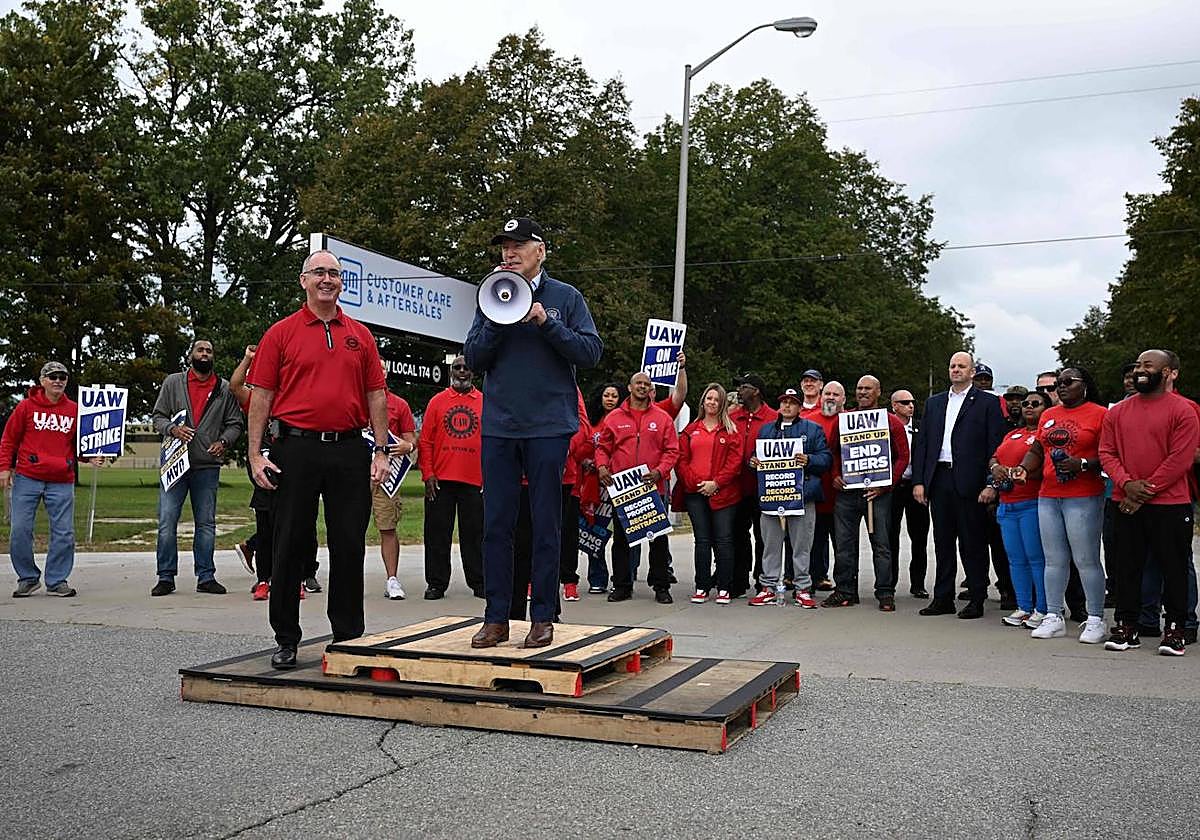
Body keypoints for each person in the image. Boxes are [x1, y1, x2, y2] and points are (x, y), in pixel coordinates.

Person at [247, 249, 391, 670]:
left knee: (349, 543)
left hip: (349, 448)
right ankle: (287, 638)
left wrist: (381, 451)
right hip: (296, 448)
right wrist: (255, 454)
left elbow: (376, 395)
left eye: (334, 273)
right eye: (319, 273)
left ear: (341, 282)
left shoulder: (360, 335)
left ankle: (348, 637)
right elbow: (262, 396)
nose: (327, 279)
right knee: (289, 542)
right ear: (303, 281)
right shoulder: (281, 333)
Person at [464, 217, 603, 649]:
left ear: (540, 250)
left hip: (548, 426)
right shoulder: (490, 296)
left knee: (546, 523)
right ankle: (497, 617)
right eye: (504, 247)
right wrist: (496, 319)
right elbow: (473, 357)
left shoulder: (566, 297)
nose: (509, 254)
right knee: (496, 524)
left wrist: (546, 323)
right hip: (501, 426)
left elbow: (590, 352)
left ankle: (543, 616)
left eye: (518, 245)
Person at [1100, 350, 1200, 655]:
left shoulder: (1183, 410)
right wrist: (1127, 484)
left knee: (1174, 568)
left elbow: (1180, 459)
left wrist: (1145, 490)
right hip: (1125, 500)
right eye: (1139, 365)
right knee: (1127, 567)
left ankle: (1176, 630)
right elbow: (1107, 453)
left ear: (1169, 373)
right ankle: (1127, 627)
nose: (1141, 370)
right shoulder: (1117, 412)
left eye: (1149, 366)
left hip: (1170, 503)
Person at [1014, 366, 1108, 643]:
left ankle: (1095, 618)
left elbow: (1109, 454)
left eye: (1069, 382)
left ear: (1085, 385)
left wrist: (1082, 464)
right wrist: (1022, 469)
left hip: (1084, 495)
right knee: (1053, 559)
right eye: (1058, 383)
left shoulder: (1100, 414)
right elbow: (1036, 450)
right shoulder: (1049, 415)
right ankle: (1053, 615)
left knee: (1086, 559)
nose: (1061, 387)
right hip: (1049, 494)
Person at [911, 351, 1005, 619]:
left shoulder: (987, 403)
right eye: (952, 365)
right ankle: (943, 598)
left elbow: (994, 446)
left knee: (972, 541)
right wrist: (919, 481)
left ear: (972, 371)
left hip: (970, 481)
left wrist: (991, 483)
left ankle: (976, 597)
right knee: (942, 541)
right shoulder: (935, 403)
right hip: (939, 478)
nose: (956, 370)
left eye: (962, 366)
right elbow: (924, 445)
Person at [150, 339, 244, 596]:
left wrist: (224, 441)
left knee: (206, 523)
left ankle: (206, 576)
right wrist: (172, 429)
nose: (204, 354)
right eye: (200, 350)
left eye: (209, 351)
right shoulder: (173, 383)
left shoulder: (223, 389)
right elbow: (157, 416)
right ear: (190, 355)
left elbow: (236, 423)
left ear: (214, 356)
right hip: (174, 463)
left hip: (207, 466)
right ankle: (166, 577)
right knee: (167, 521)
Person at [229, 345, 318, 602]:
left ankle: (297, 578)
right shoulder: (258, 399)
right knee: (266, 529)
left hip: (295, 468)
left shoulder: (297, 399)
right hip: (266, 472)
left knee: (297, 528)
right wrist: (247, 359)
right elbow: (235, 387)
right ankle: (264, 580)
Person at [2, 362, 93, 597]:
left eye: (63, 376)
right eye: (52, 376)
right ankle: (28, 578)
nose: (58, 380)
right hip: (27, 477)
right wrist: (4, 468)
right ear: (42, 380)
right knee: (20, 529)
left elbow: (79, 445)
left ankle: (57, 580)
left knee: (64, 532)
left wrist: (91, 456)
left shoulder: (75, 410)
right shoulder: (25, 407)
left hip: (61, 479)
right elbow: (9, 440)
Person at [823, 376, 910, 611]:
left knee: (881, 544)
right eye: (859, 388)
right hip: (847, 493)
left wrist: (887, 485)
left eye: (867, 389)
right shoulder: (843, 421)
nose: (862, 392)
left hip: (878, 493)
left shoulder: (891, 422)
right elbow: (832, 452)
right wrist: (835, 476)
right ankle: (844, 591)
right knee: (843, 544)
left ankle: (885, 592)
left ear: (878, 392)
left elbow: (903, 456)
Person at [596, 372, 679, 604]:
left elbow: (672, 450)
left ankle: (661, 585)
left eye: (646, 384)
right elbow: (603, 447)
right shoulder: (614, 417)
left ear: (650, 389)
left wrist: (659, 472)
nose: (642, 387)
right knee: (622, 539)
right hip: (623, 489)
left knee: (658, 540)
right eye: (638, 384)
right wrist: (602, 467)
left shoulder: (662, 418)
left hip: (652, 488)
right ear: (630, 388)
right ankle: (622, 585)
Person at [749, 388, 830, 608]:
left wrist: (809, 459)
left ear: (799, 407)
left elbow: (826, 459)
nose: (787, 406)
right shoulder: (766, 431)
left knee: (802, 545)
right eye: (783, 402)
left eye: (792, 403)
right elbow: (753, 458)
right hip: (772, 497)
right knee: (770, 544)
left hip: (802, 497)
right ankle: (768, 586)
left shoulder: (812, 430)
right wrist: (753, 461)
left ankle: (802, 587)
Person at [419, 355, 485, 601]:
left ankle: (479, 581)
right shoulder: (437, 401)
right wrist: (428, 474)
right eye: (457, 368)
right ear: (450, 372)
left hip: (474, 480)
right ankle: (436, 583)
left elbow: (492, 442)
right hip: (440, 481)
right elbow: (425, 441)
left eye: (466, 368)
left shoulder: (485, 402)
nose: (461, 371)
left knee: (476, 535)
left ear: (473, 372)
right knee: (437, 534)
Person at [984, 390, 1049, 627]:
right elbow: (994, 457)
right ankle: (1023, 607)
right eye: (1025, 404)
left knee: (1036, 558)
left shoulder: (1044, 435)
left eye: (1036, 403)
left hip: (1031, 502)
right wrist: (995, 468)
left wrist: (1018, 472)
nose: (1028, 407)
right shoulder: (1012, 433)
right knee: (1015, 559)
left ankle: (1043, 608)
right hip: (1007, 504)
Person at [676, 383, 743, 604]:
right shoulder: (689, 430)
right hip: (695, 493)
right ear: (703, 401)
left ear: (722, 403)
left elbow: (735, 463)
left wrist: (716, 483)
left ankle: (724, 587)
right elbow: (682, 461)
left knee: (724, 540)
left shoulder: (732, 430)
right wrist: (697, 484)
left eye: (716, 399)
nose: (712, 402)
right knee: (702, 541)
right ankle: (702, 586)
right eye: (709, 398)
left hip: (724, 494)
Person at [729, 373, 779, 597]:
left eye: (744, 387)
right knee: (738, 535)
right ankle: (738, 580)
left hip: (764, 487)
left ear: (756, 391)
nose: (740, 391)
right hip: (737, 487)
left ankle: (763, 579)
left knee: (764, 535)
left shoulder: (774, 417)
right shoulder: (732, 416)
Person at [577, 382, 627, 593]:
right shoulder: (591, 422)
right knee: (594, 532)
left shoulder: (626, 420)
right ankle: (597, 578)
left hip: (621, 482)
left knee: (624, 533)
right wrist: (586, 462)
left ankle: (625, 576)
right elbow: (581, 448)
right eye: (606, 395)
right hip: (595, 486)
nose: (609, 399)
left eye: (614, 396)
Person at [374, 375, 417, 600]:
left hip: (387, 475)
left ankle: (392, 579)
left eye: (382, 369)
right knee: (348, 528)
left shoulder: (399, 404)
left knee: (388, 527)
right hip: (355, 473)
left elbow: (411, 440)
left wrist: (407, 445)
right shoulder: (355, 398)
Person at [889, 388, 930, 598]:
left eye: (912, 402)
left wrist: (922, 482)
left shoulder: (921, 428)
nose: (910, 406)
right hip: (894, 487)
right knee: (890, 537)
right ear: (894, 405)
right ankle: (890, 582)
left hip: (917, 487)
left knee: (920, 537)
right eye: (905, 402)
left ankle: (918, 583)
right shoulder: (885, 427)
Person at [810, 381, 845, 590]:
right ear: (821, 396)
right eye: (827, 393)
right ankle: (813, 580)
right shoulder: (807, 421)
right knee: (814, 542)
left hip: (843, 495)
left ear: (843, 400)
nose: (831, 397)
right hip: (815, 494)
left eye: (836, 394)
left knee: (843, 545)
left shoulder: (853, 421)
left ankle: (845, 585)